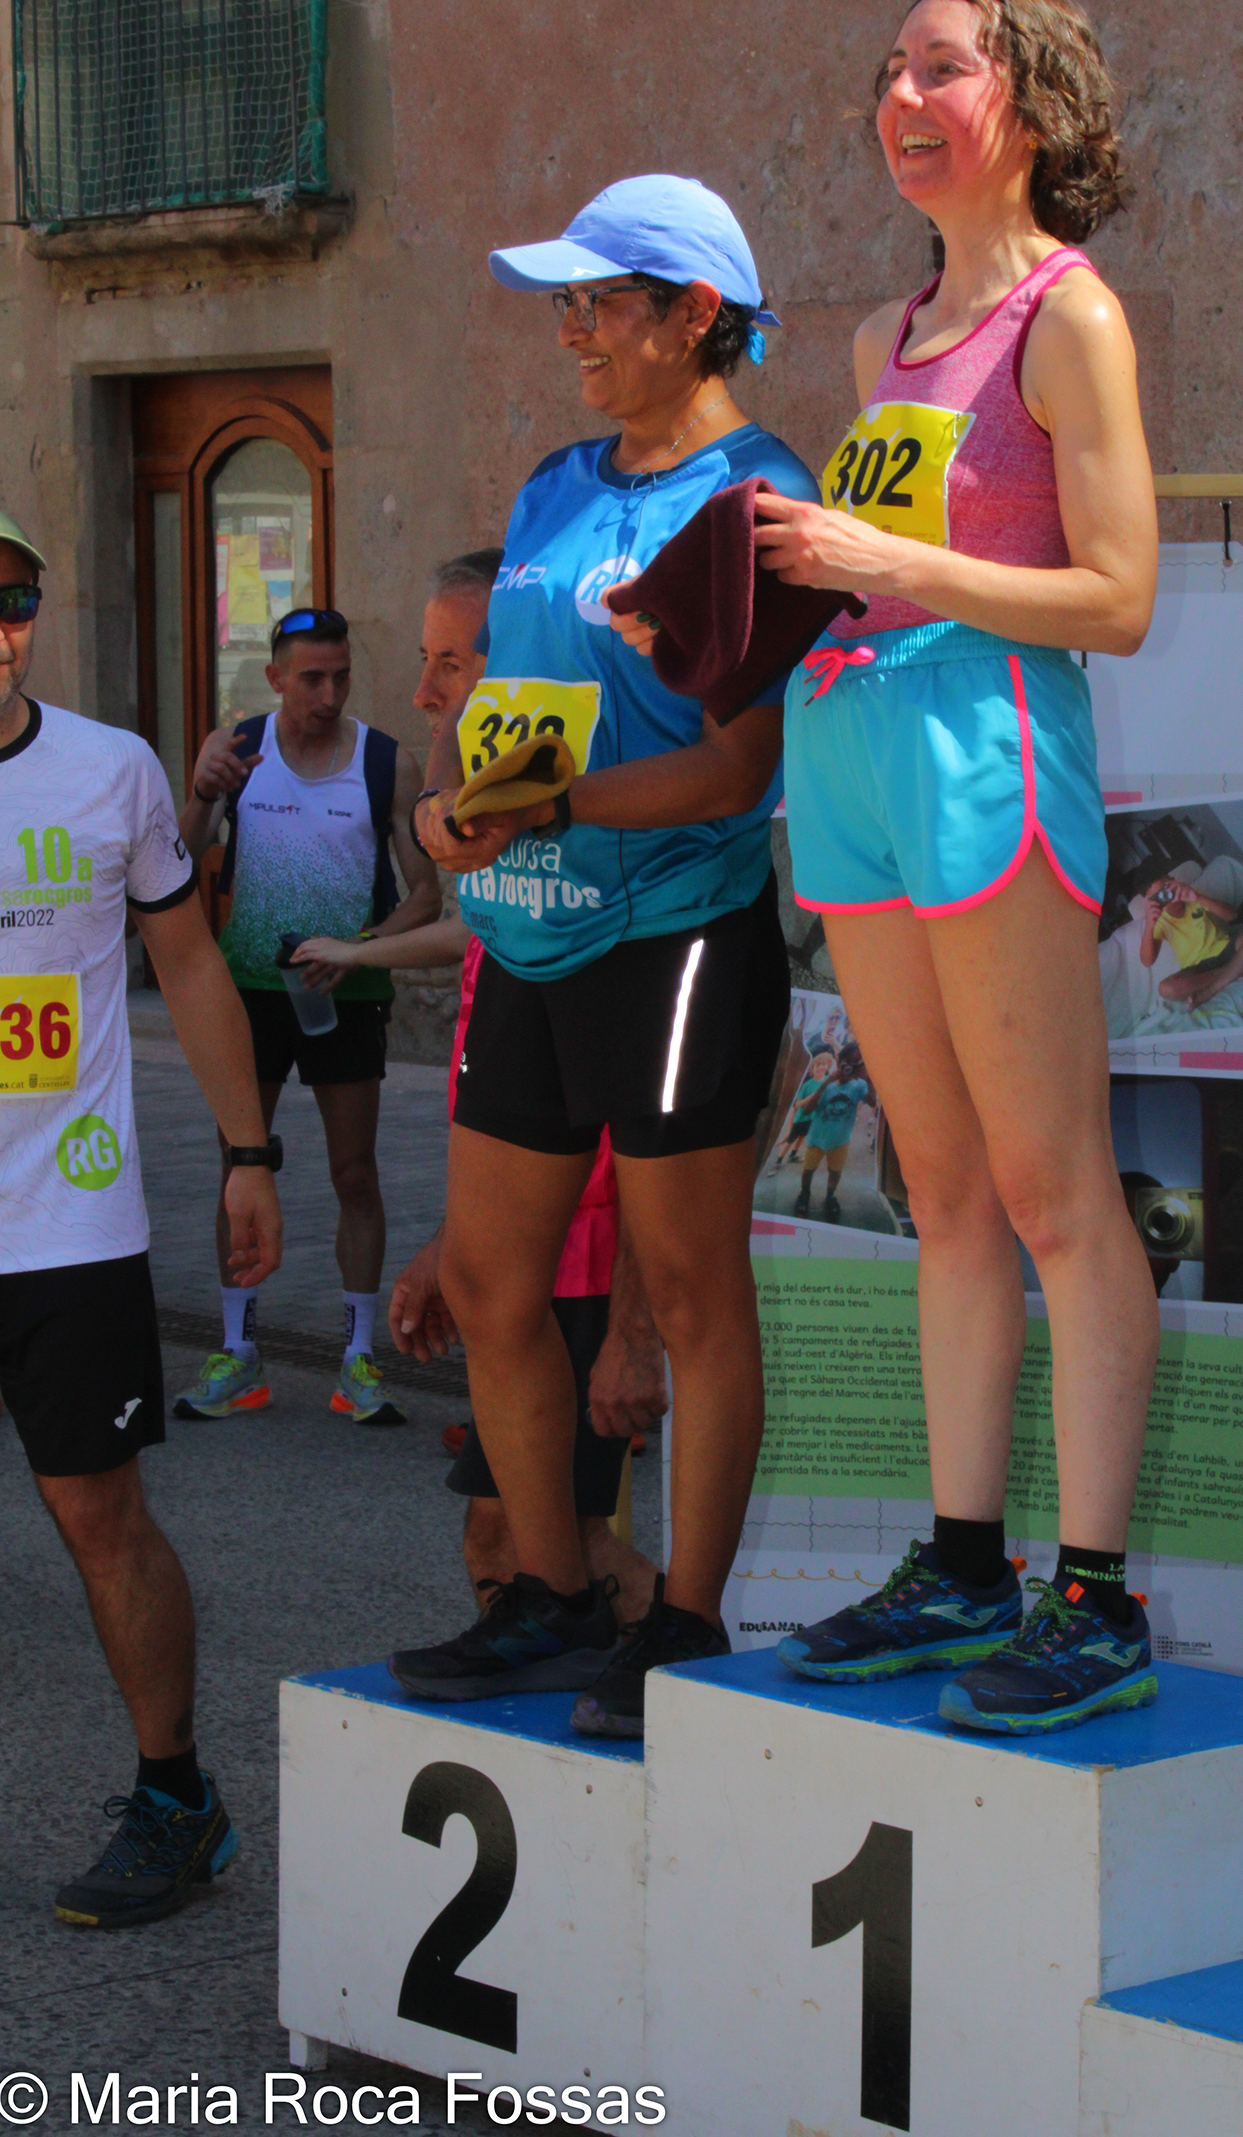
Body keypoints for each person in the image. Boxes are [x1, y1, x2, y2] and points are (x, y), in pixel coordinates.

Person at [750, 0, 1162, 1735]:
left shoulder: (1076, 319)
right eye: (889, 71)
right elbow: (868, 571)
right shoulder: (882, 338)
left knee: (1056, 1190)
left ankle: (1097, 1600)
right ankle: (965, 1563)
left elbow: (1119, 597)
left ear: (1033, 109)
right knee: (944, 1195)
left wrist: (889, 564)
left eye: (942, 67)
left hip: (985, 751)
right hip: (851, 752)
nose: (901, 98)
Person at [385, 174, 818, 1737]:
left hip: (677, 932)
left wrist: (556, 805)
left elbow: (736, 770)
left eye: (598, 301)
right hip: (529, 928)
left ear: (696, 315)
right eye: (560, 302)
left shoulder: (760, 497)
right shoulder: (555, 483)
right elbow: (508, 708)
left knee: (692, 1298)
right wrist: (453, 807)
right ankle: (554, 1597)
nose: (569, 329)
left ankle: (682, 1623)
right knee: (492, 1283)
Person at [0, 515, 284, 1925]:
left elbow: (190, 963)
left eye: (13, 598)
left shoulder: (109, 770)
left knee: (98, 1514)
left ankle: (177, 1799)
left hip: (66, 1220)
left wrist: (249, 1153)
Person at [296, 548, 665, 1624]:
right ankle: (623, 1680)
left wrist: (634, 1324)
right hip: (525, 1248)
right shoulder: (503, 848)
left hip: (583, 1259)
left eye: (451, 664)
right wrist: (455, 1246)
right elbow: (476, 974)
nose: (422, 692)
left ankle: (687, 1669)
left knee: (536, 1539)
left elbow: (632, 1114)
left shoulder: (584, 859)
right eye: (424, 661)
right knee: (525, 1539)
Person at [174, 606, 439, 1426]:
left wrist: (358, 949)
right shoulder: (238, 750)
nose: (329, 694)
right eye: (312, 678)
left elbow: (426, 895)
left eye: (342, 676)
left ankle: (357, 1359)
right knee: (239, 1167)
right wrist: (201, 789)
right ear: (275, 678)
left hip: (344, 993)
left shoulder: (385, 762)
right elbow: (175, 866)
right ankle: (237, 1352)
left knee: (354, 1174)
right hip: (249, 993)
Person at [1137, 873, 1243, 1008]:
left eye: (1165, 889)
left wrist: (1197, 897)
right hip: (1199, 971)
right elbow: (1147, 961)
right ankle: (1237, 967)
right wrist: (1149, 925)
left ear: (1173, 881)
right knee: (1165, 989)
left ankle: (1212, 989)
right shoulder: (1160, 922)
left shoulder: (1193, 895)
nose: (1165, 897)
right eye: (1158, 897)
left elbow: (1232, 915)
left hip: (1225, 948)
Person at [794, 1058, 873, 1220]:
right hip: (817, 1139)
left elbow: (872, 1102)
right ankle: (804, 1195)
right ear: (838, 1066)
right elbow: (807, 1110)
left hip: (840, 1141)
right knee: (808, 1170)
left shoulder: (859, 1085)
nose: (847, 1070)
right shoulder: (826, 1084)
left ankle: (830, 1197)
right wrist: (825, 1083)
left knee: (835, 1172)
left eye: (852, 1066)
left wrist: (868, 1078)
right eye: (844, 1065)